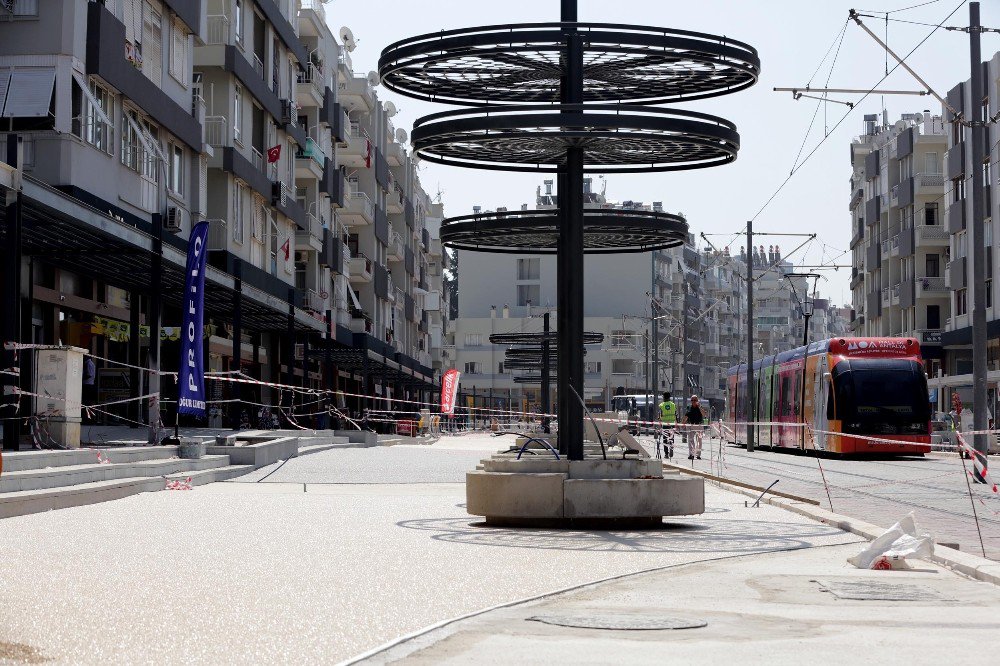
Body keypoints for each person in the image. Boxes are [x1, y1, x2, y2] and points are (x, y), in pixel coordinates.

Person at [684, 394, 707, 460]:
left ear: (697, 400)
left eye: (695, 400)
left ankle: (698, 454)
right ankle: (691, 454)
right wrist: (682, 424)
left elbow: (704, 414)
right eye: (692, 400)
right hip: (691, 425)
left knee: (699, 441)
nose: (693, 401)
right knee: (691, 440)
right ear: (691, 401)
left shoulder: (700, 407)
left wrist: (699, 407)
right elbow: (686, 416)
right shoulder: (689, 407)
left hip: (699, 425)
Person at [657, 391, 677, 459]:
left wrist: (659, 421)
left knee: (665, 439)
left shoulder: (661, 405)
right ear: (669, 397)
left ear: (664, 397)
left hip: (665, 424)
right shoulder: (673, 405)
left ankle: (666, 454)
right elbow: (676, 414)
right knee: (671, 437)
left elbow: (659, 415)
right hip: (672, 424)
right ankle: (671, 448)